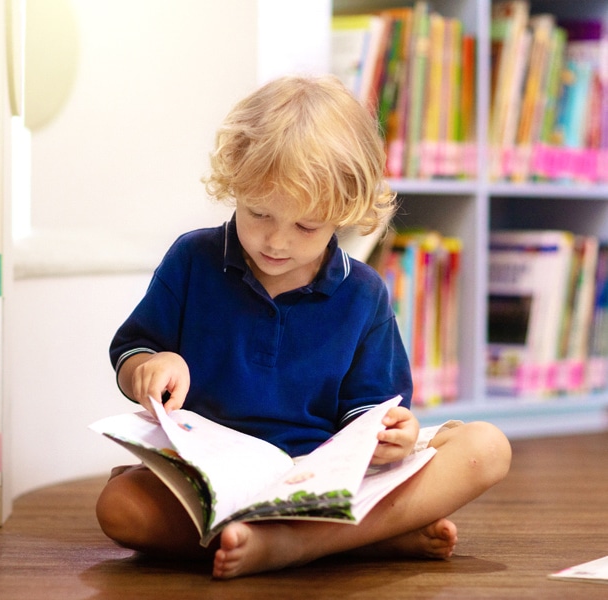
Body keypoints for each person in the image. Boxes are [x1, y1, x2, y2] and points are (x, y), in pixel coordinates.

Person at [95, 74, 512, 580]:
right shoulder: (193, 259)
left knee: (486, 447)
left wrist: (392, 436)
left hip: (323, 480)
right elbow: (133, 351)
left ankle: (294, 542)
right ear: (235, 186)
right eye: (258, 213)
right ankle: (359, 539)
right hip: (213, 478)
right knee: (120, 507)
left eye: (306, 226)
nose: (275, 240)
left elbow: (372, 415)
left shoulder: (364, 293)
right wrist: (149, 366)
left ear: (344, 212)